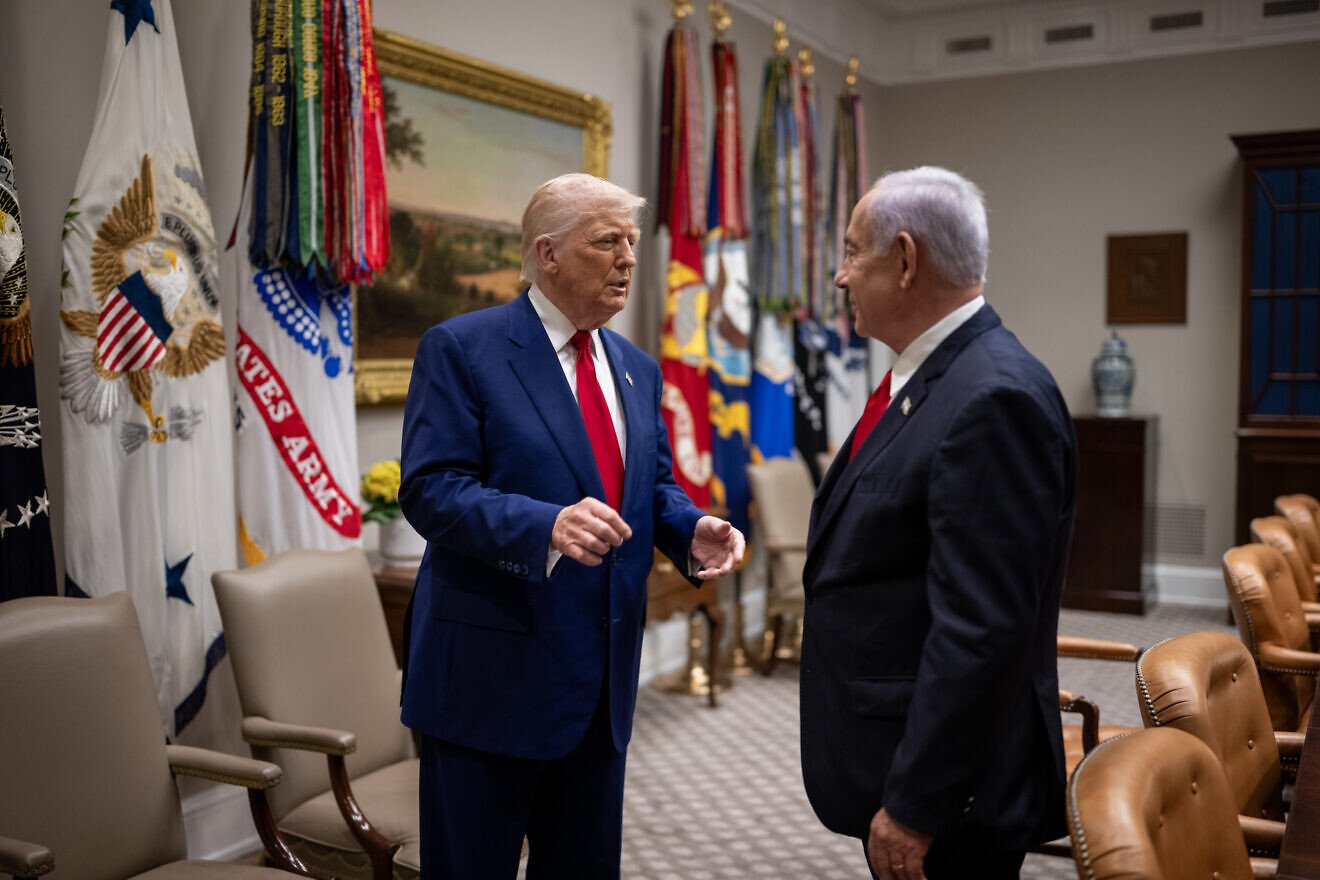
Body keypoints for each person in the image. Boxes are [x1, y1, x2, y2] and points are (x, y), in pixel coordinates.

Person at [398, 172, 745, 879]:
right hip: (489, 687)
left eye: (630, 244)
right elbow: (431, 491)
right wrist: (544, 525)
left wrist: (686, 530)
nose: (627, 259)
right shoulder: (463, 348)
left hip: (600, 688)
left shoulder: (637, 369)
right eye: (607, 242)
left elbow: (649, 485)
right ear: (548, 254)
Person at [800, 167, 1077, 880]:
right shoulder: (933, 379)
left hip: (949, 794)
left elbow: (982, 629)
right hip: (905, 758)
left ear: (906, 258)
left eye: (853, 252)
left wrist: (918, 802)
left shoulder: (991, 398)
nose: (840, 276)